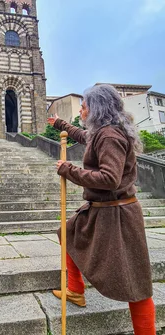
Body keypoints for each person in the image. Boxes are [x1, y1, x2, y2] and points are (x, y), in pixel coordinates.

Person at [51, 84, 156, 334]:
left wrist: (69, 170)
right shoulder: (101, 133)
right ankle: (75, 291)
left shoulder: (109, 136)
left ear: (96, 108)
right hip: (102, 210)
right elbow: (83, 136)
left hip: (119, 216)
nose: (82, 110)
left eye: (84, 106)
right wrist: (60, 124)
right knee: (67, 233)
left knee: (135, 283)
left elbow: (110, 178)